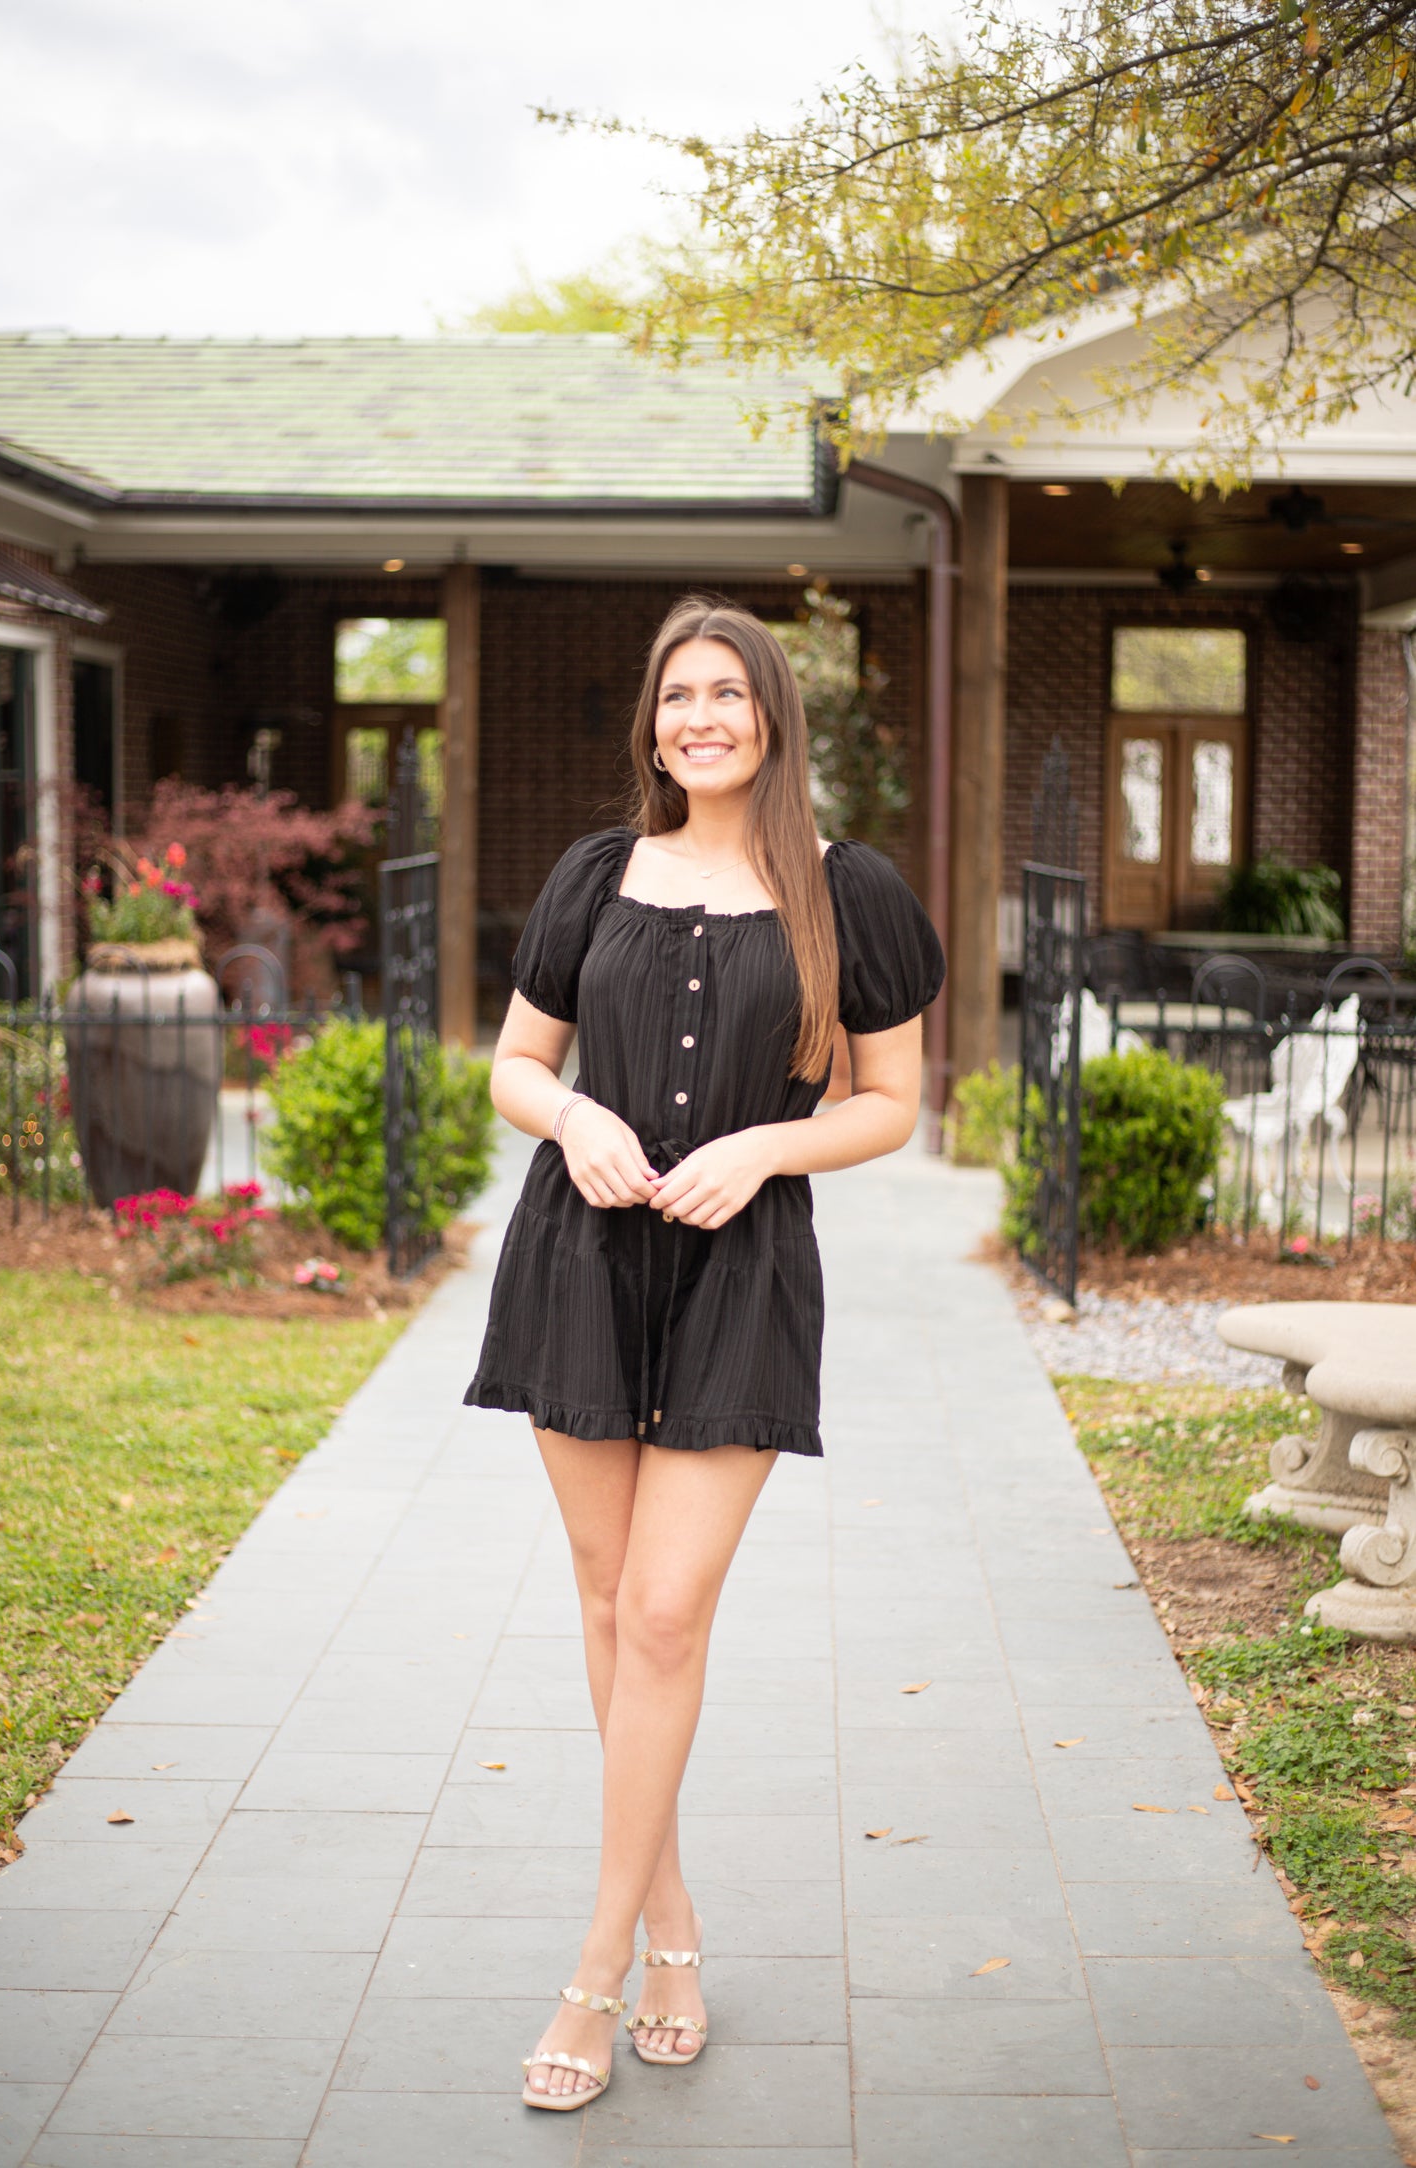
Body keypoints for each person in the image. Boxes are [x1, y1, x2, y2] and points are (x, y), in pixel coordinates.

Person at [464, 595, 945, 2111]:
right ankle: (672, 1936)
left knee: (664, 1614)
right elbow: (514, 1068)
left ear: (771, 717)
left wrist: (765, 1147)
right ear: (653, 722)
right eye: (679, 694)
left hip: (741, 1269)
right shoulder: (594, 874)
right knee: (611, 1607)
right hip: (580, 1258)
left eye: (728, 692)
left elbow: (890, 1102)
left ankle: (590, 1972)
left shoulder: (840, 889)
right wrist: (579, 1116)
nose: (701, 716)